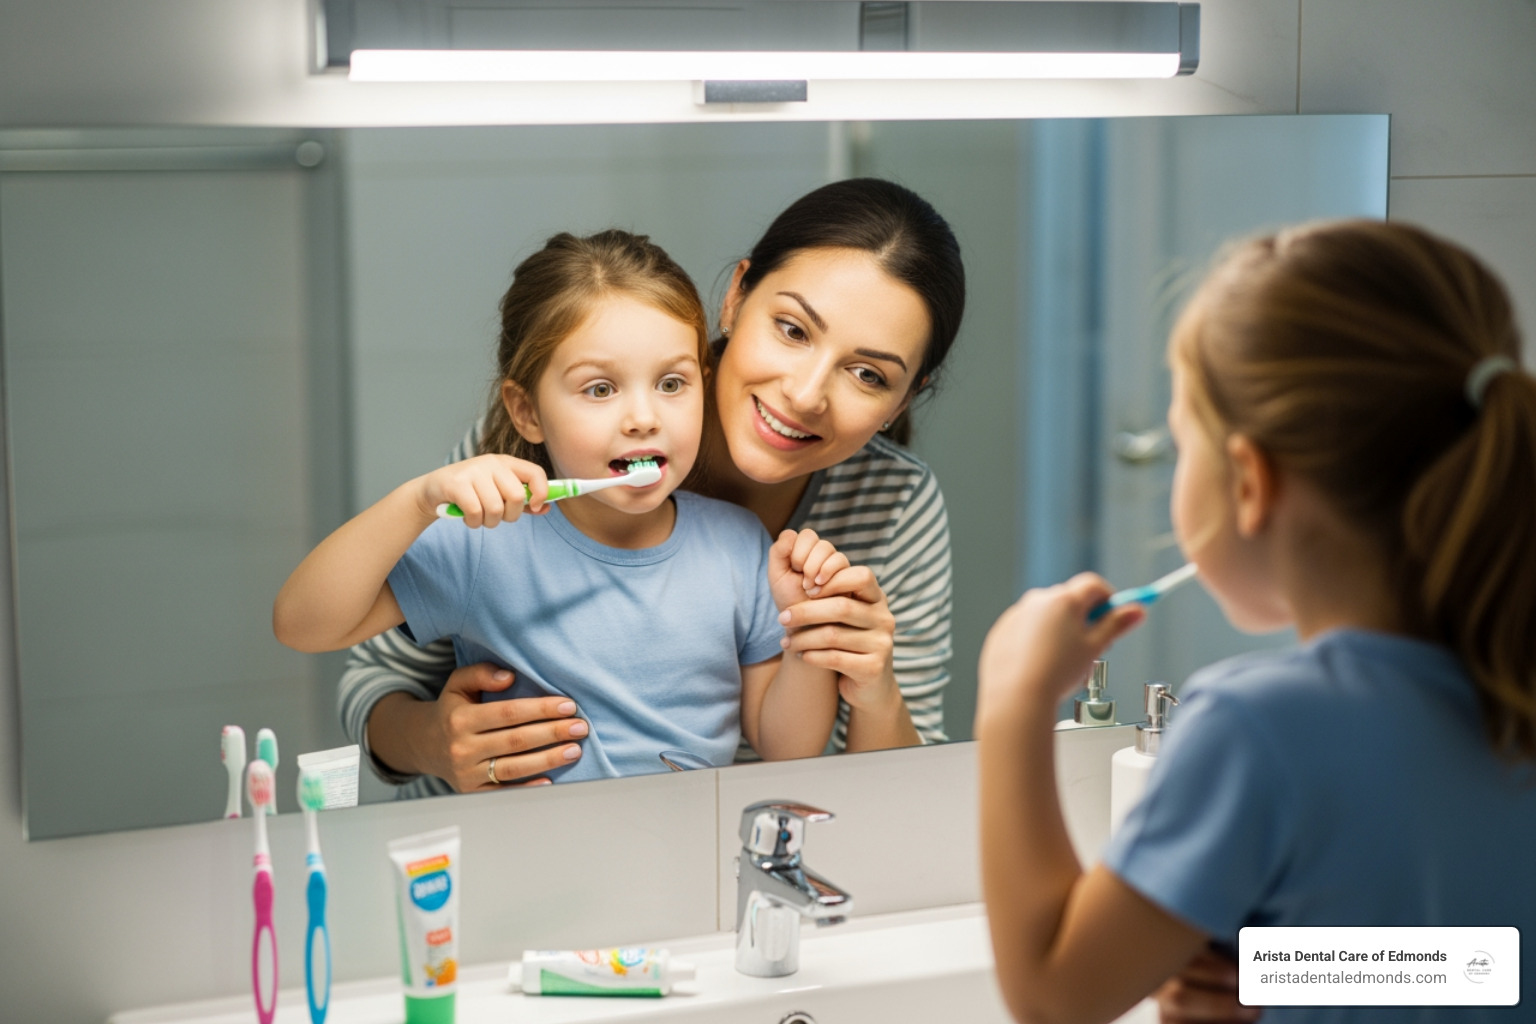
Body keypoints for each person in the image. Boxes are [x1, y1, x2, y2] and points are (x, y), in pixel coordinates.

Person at [974, 219, 1536, 1024]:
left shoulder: (1257, 729)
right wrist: (1297, 971)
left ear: (1248, 479)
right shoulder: (1511, 686)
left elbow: (1054, 995)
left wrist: (1014, 700)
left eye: (1178, 447)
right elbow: (1493, 960)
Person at [341, 178, 967, 795]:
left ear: (905, 397)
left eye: (867, 374)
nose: (805, 395)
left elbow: (898, 794)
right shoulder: (535, 455)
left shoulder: (894, 502)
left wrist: (874, 685)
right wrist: (434, 741)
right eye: (793, 330)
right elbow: (370, 672)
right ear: (736, 297)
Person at [275, 229, 861, 784]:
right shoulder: (488, 543)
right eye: (600, 389)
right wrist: (416, 500)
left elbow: (788, 749)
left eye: (672, 383)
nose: (643, 417)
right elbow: (303, 625)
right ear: (526, 412)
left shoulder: (740, 545)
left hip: (685, 862)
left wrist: (810, 635)